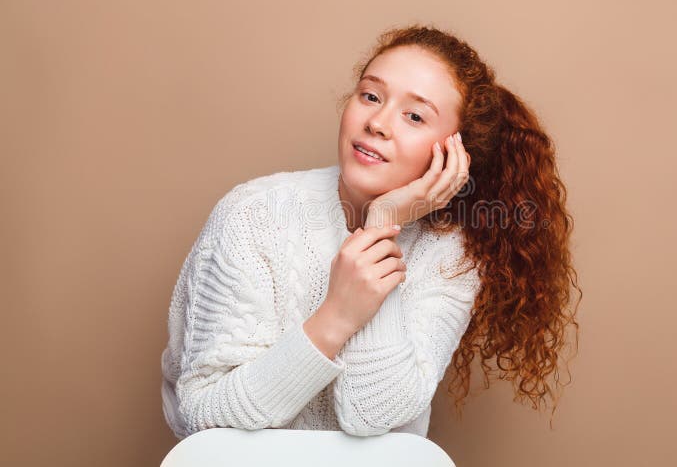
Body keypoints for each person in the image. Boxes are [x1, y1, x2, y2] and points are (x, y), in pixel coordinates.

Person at [160, 24, 582, 441]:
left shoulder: (453, 254)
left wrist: (381, 225)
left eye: (414, 116)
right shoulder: (253, 215)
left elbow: (372, 415)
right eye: (371, 96)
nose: (378, 122)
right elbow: (204, 415)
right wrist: (337, 316)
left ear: (455, 153)